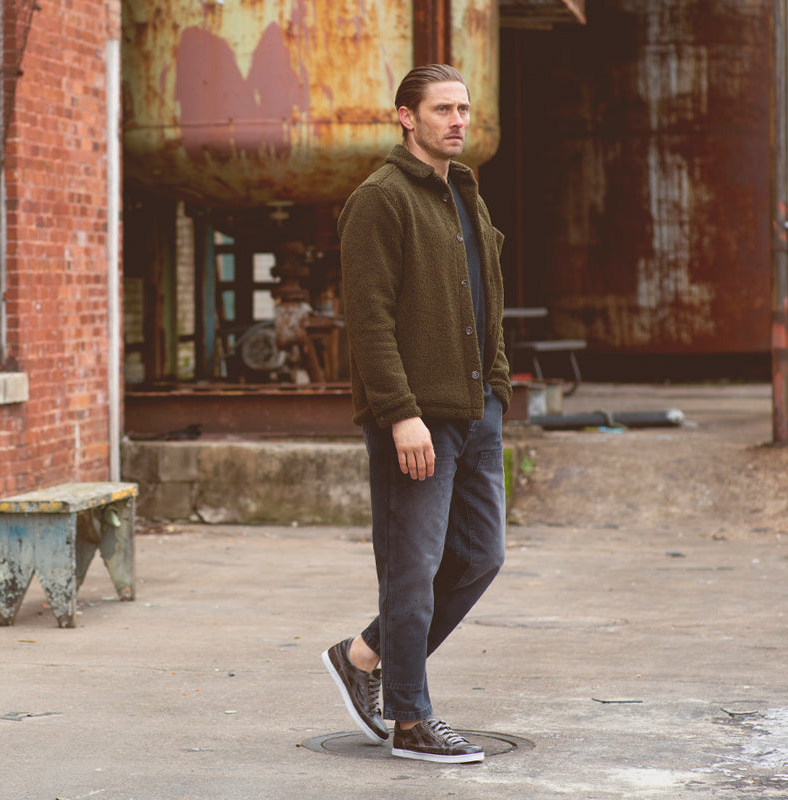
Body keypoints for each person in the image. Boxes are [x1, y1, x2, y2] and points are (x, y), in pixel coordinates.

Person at [321, 63, 511, 764]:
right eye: (442, 110)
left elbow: (485, 302)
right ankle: (410, 719)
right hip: (418, 420)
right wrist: (400, 413)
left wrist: (497, 391)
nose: (458, 120)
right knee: (412, 567)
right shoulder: (380, 199)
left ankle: (364, 654)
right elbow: (368, 320)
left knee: (480, 555)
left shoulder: (467, 195)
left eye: (464, 108)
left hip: (477, 413)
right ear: (405, 117)